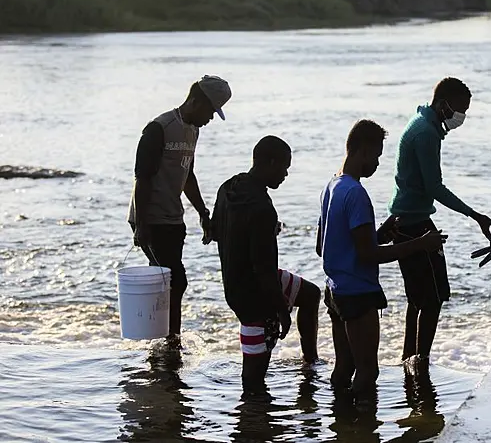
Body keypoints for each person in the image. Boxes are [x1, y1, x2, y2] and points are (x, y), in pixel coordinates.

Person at [317, 119, 445, 402]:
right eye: (376, 156)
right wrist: (421, 244)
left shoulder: (332, 187)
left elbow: (323, 246)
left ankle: (339, 422)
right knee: (367, 371)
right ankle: (362, 428)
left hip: (334, 290)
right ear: (362, 150)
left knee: (344, 367)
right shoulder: (357, 194)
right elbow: (368, 255)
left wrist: (379, 234)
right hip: (358, 293)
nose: (376, 164)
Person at [389, 77, 491, 366]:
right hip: (415, 225)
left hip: (406, 220)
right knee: (434, 298)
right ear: (441, 104)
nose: (460, 117)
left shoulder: (420, 121)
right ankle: (420, 361)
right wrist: (475, 215)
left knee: (418, 298)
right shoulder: (426, 133)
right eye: (458, 110)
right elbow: (434, 188)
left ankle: (408, 358)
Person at [212, 136, 321, 395]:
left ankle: (310, 365)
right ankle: (252, 421)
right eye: (284, 167)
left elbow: (217, 231)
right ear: (270, 163)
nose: (285, 174)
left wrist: (261, 233)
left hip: (235, 282)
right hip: (254, 296)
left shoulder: (228, 188)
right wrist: (282, 311)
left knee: (311, 295)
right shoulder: (262, 208)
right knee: (254, 375)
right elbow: (263, 268)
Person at [128, 75, 231, 340]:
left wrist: (202, 211)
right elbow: (143, 178)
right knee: (177, 280)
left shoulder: (192, 130)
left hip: (174, 218)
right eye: (210, 111)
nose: (210, 119)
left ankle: (161, 336)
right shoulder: (158, 129)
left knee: (166, 282)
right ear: (196, 101)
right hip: (150, 219)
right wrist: (141, 225)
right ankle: (171, 339)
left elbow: (189, 175)